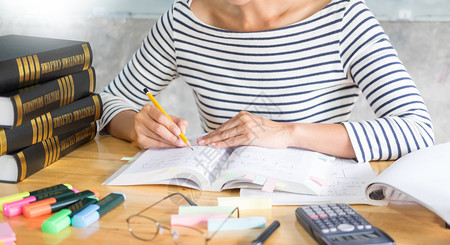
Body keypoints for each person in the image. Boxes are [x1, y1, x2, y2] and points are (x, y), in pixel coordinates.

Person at [99, 0, 434, 163]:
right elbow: (110, 102)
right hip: (220, 208)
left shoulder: (344, 19)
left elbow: (417, 131)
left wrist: (289, 133)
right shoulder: (181, 22)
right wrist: (135, 127)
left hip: (311, 206)